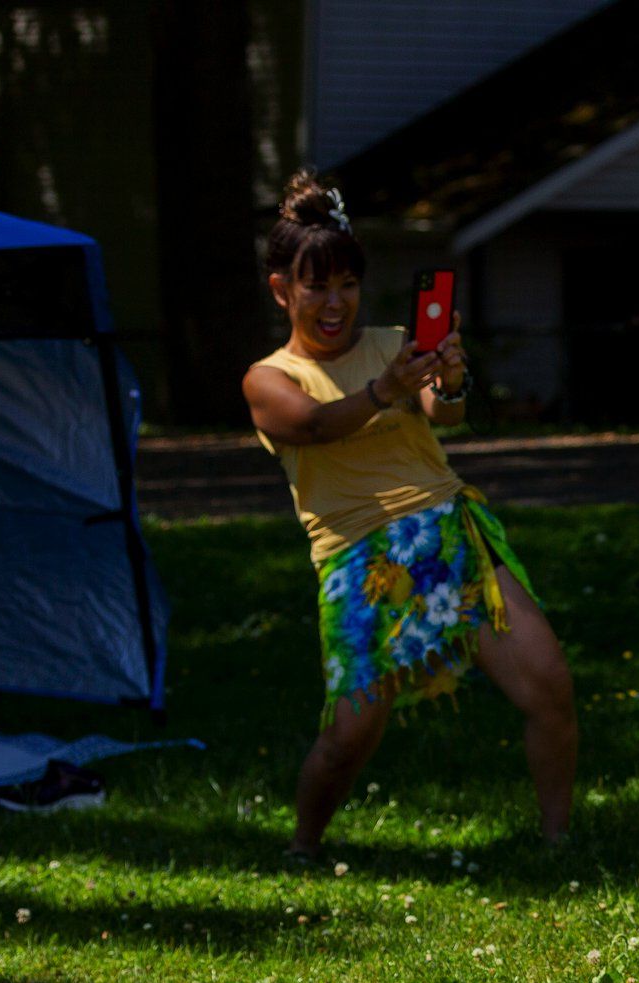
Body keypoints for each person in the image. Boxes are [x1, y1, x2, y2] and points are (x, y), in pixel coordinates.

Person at [242, 172, 576, 858]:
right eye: (316, 288)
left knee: (549, 686)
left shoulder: (393, 341)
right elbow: (314, 425)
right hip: (359, 558)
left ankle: (559, 843)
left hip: (449, 532)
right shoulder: (268, 377)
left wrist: (448, 379)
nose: (336, 304)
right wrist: (383, 388)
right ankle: (303, 846)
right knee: (349, 737)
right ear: (282, 290)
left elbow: (443, 414)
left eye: (348, 286)